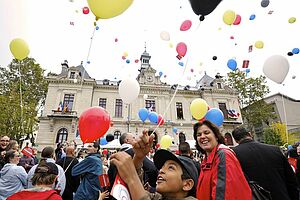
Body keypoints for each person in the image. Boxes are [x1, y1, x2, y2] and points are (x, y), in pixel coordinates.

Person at [110, 130, 198, 200]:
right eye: (162, 167)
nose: (161, 171)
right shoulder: (159, 197)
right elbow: (137, 192)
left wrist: (131, 178)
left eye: (171, 167)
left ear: (187, 184)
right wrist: (138, 158)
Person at [232, 127, 299, 200]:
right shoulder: (275, 149)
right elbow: (291, 180)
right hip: (281, 196)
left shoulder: (234, 154)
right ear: (250, 134)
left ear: (235, 140)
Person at [193, 120, 252, 199]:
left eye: (206, 133)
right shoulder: (207, 159)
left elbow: (225, 194)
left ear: (216, 136)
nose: (202, 136)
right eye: (199, 135)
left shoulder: (224, 155)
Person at [108, 132, 158, 197]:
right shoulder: (134, 152)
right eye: (133, 138)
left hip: (116, 194)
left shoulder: (115, 156)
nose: (135, 140)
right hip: (134, 194)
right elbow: (152, 169)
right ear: (127, 140)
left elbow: (110, 177)